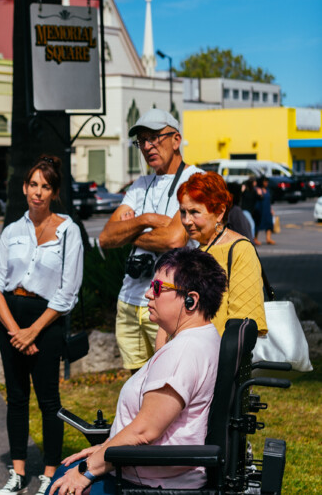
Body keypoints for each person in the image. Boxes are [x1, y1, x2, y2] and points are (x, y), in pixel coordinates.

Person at [48, 247, 227, 495]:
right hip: (146, 472)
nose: (147, 294)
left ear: (191, 300)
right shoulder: (200, 338)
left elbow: (144, 431)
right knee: (62, 474)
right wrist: (105, 449)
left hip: (148, 484)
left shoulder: (183, 352)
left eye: (157, 288)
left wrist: (86, 471)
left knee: (61, 487)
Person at [0, 155, 84, 495]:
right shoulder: (13, 229)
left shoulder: (69, 231)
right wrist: (16, 330)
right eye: (33, 185)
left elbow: (68, 291)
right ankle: (16, 474)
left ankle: (49, 474)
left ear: (54, 192)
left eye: (45, 186)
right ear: (25, 187)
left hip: (47, 321)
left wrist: (33, 331)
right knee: (16, 398)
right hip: (11, 320)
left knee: (48, 401)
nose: (37, 192)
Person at [98, 109, 200, 372]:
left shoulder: (194, 180)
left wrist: (129, 232)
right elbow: (107, 238)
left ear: (176, 140)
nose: (147, 146)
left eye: (154, 137)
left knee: (169, 383)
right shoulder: (140, 184)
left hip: (170, 301)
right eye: (141, 140)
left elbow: (175, 239)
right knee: (136, 386)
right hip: (129, 299)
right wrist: (146, 220)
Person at [177, 172, 267, 337]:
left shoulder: (240, 250)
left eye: (194, 212)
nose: (186, 220)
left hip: (219, 358)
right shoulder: (198, 250)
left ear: (219, 212)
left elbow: (242, 327)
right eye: (183, 212)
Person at [254, 177, 275, 245]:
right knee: (258, 224)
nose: (266, 183)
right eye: (265, 182)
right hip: (260, 209)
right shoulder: (258, 189)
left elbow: (269, 201)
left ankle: (268, 239)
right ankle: (255, 238)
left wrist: (271, 209)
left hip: (267, 209)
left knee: (269, 223)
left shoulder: (267, 190)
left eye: (267, 182)